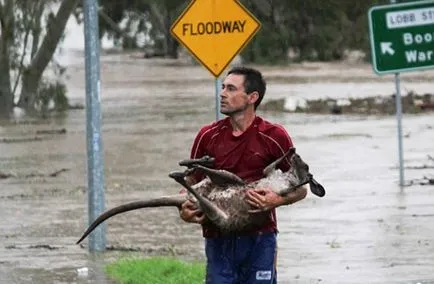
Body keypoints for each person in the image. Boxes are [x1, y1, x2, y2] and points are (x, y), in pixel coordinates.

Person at [179, 66, 307, 283]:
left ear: (252, 97)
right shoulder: (207, 135)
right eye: (222, 88)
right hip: (217, 237)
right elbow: (190, 182)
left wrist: (277, 199)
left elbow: (301, 188)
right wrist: (184, 211)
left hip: (260, 237)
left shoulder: (274, 135)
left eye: (230, 89)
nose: (222, 94)